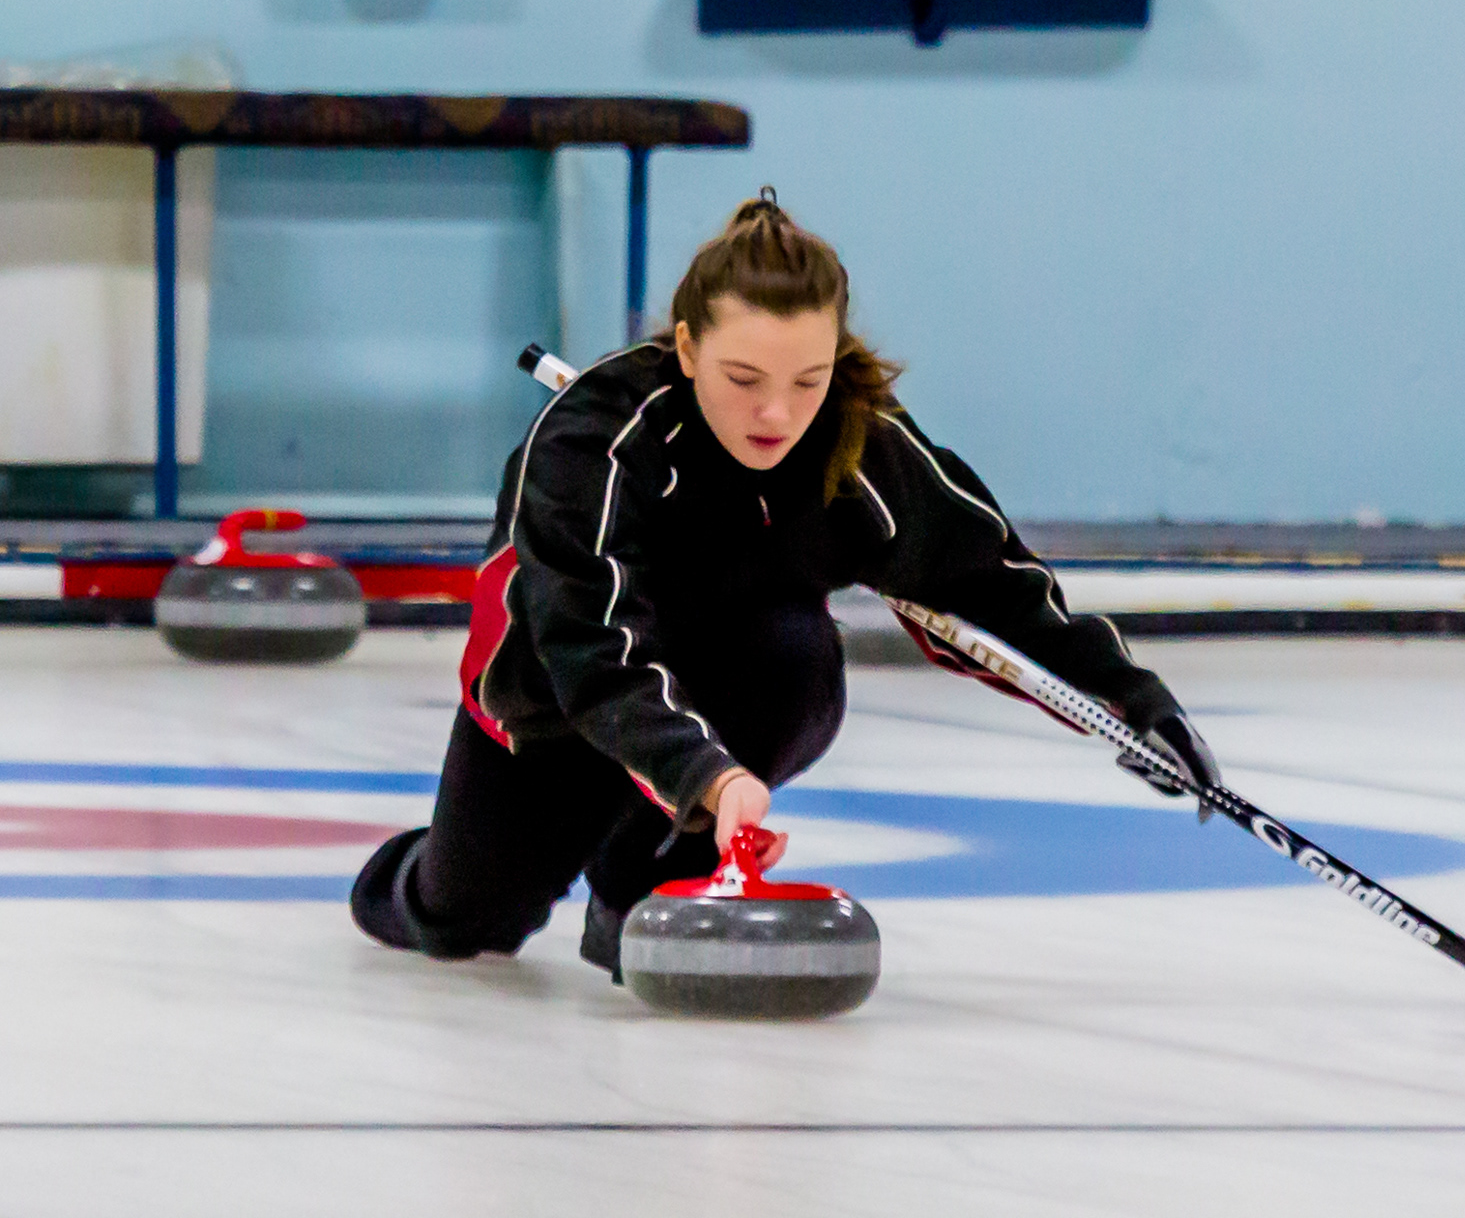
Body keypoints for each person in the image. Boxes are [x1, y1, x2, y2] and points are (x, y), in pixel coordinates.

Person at [350, 189, 1224, 981]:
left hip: (721, 694)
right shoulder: (592, 443)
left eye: (808, 380)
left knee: (793, 654)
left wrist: (1131, 702)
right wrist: (707, 777)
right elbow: (587, 651)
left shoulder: (858, 444)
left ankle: (641, 884)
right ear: (686, 348)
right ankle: (414, 881)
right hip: (553, 710)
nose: (777, 414)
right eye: (744, 380)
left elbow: (989, 586)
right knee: (466, 923)